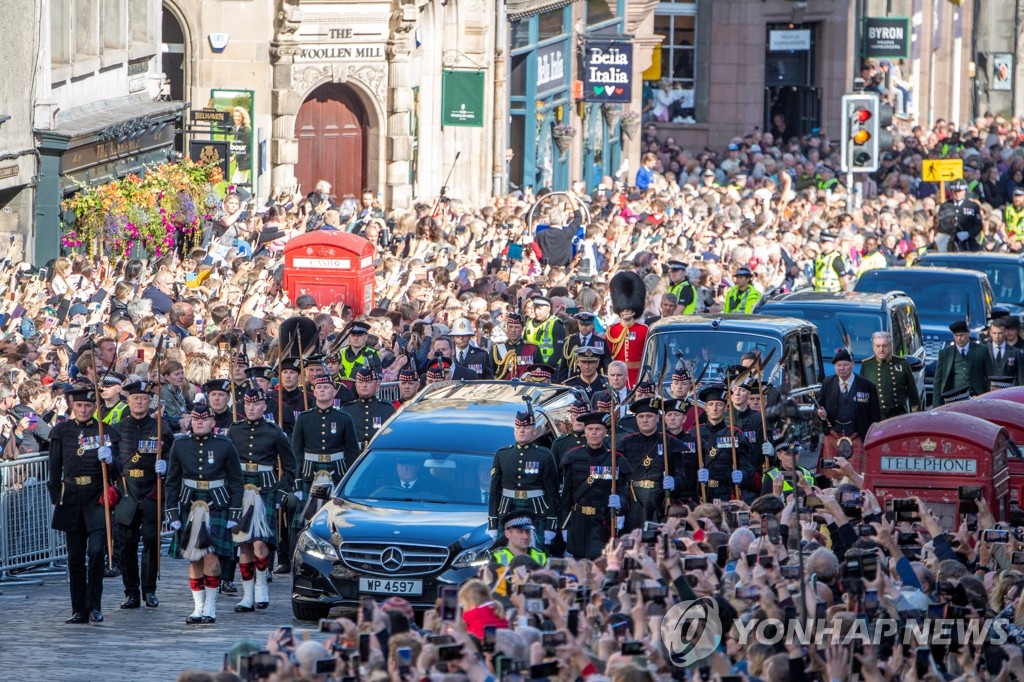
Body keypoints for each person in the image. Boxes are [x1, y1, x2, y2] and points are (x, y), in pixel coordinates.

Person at [164, 400, 244, 625]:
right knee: (194, 558)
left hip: (216, 505)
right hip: (190, 505)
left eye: (204, 419)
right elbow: (172, 481)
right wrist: (172, 512)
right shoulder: (180, 445)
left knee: (211, 557)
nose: (199, 423)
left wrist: (235, 513)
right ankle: (197, 608)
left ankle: (210, 606)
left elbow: (236, 481)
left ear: (212, 421)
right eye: (196, 419)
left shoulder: (225, 444)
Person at [48, 386, 121, 624]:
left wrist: (109, 460)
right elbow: (54, 467)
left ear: (95, 408)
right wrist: (55, 496)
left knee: (97, 551)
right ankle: (78, 609)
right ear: (72, 406)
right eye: (79, 405)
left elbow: (118, 470)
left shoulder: (105, 431)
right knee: (76, 556)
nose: (83, 409)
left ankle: (95, 605)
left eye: (88, 406)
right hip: (71, 497)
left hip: (96, 496)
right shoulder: (62, 431)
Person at [227, 386, 297, 613]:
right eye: (247, 404)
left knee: (259, 542)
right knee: (244, 545)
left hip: (265, 490)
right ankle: (247, 595)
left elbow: (289, 465)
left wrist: (282, 492)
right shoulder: (234, 431)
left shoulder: (274, 432)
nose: (251, 408)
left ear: (264, 406)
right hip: (240, 491)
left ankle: (261, 585)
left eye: (256, 404)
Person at [115, 380, 173, 610]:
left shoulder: (160, 428)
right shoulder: (118, 429)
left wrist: (165, 465)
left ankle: (149, 590)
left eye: (143, 398)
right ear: (127, 401)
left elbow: (172, 456)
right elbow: (111, 463)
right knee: (127, 545)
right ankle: (131, 592)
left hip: (151, 491)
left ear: (150, 401)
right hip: (127, 491)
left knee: (151, 541)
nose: (139, 402)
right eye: (135, 398)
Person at [557, 411, 633, 559]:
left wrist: (620, 504)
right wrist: (564, 525)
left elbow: (624, 492)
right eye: (590, 429)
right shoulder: (572, 457)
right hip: (578, 520)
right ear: (584, 432)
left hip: (603, 522)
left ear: (605, 432)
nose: (594, 433)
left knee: (601, 564)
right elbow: (565, 495)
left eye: (598, 429)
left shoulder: (616, 460)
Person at [487, 406, 559, 545]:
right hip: (507, 509)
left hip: (536, 510)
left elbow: (552, 492)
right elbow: (494, 491)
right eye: (518, 427)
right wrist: (493, 522)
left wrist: (551, 524)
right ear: (514, 430)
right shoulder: (502, 454)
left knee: (535, 558)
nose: (522, 431)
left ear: (534, 431)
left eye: (526, 428)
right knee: (505, 557)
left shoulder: (544, 455)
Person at [682, 383, 756, 502]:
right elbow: (683, 467)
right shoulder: (693, 434)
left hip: (726, 494)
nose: (715, 408)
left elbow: (748, 467)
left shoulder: (735, 435)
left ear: (726, 408)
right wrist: (696, 476)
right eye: (711, 404)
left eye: (719, 404)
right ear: (705, 408)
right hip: (698, 495)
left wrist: (742, 475)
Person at [617, 397, 683, 527]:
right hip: (634, 502)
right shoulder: (625, 444)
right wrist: (620, 507)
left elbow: (681, 475)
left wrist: (674, 482)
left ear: (658, 418)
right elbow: (619, 478)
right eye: (641, 416)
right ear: (636, 419)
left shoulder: (670, 442)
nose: (645, 420)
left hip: (659, 502)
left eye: (649, 416)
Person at [815, 348, 881, 471]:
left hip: (857, 436)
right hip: (833, 434)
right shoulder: (828, 383)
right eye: (838, 365)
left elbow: (875, 416)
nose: (842, 368)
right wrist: (820, 414)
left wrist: (871, 437)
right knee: (833, 473)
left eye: (845, 365)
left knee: (855, 474)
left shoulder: (867, 386)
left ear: (852, 365)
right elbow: (818, 406)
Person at [858, 331, 920, 419]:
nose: (881, 349)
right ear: (873, 348)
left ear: (890, 346)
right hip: (875, 416)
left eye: (884, 346)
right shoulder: (867, 365)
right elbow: (862, 395)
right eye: (878, 346)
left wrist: (915, 416)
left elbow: (913, 393)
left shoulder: (902, 363)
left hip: (898, 415)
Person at [932, 320, 992, 406]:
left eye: (962, 335)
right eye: (956, 336)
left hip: (977, 396)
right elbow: (938, 380)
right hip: (952, 397)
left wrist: (988, 397)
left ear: (968, 333)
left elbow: (989, 375)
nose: (959, 338)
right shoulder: (945, 353)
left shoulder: (982, 350)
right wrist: (936, 405)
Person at [606, 271, 648, 387]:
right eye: (622, 308)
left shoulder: (644, 330)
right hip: (618, 377)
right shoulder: (612, 331)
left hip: (638, 376)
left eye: (628, 308)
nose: (624, 311)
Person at [342, 366, 396, 452]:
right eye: (360, 382)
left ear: (377, 386)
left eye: (369, 382)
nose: (364, 385)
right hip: (354, 454)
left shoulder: (387, 408)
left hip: (378, 454)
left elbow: (393, 437)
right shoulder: (347, 409)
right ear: (356, 386)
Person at [557, 311, 608, 382]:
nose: (584, 327)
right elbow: (564, 365)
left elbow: (606, 364)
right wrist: (561, 383)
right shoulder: (569, 341)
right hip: (574, 380)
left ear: (592, 325)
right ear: (578, 324)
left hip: (595, 381)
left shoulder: (600, 342)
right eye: (581, 324)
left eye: (587, 325)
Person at [936, 178, 983, 252]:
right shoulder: (945, 206)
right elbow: (940, 224)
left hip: (969, 243)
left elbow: (978, 225)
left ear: (965, 191)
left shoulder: (973, 206)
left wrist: (968, 234)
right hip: (950, 243)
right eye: (955, 191)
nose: (957, 194)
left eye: (959, 191)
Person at [490, 313, 540, 380]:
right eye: (511, 327)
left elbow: (539, 371)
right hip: (503, 387)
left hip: (524, 387)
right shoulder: (497, 348)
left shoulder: (532, 348)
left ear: (522, 329)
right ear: (507, 328)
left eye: (517, 327)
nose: (513, 330)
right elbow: (490, 373)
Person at [523, 296, 566, 367]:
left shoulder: (556, 323)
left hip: (552, 368)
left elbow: (559, 351)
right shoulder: (529, 324)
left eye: (540, 309)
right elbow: (524, 348)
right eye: (535, 308)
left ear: (548, 309)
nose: (536, 312)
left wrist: (544, 368)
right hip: (531, 367)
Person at [987, 318, 1024, 387]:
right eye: (994, 333)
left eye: (1000, 333)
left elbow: (1021, 377)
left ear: (1005, 332)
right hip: (988, 393)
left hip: (1009, 393)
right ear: (990, 332)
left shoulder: (1016, 352)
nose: (997, 336)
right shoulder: (984, 351)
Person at [550, 398, 589, 464]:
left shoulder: (596, 442)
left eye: (582, 415)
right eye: (575, 415)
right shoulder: (559, 443)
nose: (578, 419)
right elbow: (554, 472)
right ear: (571, 418)